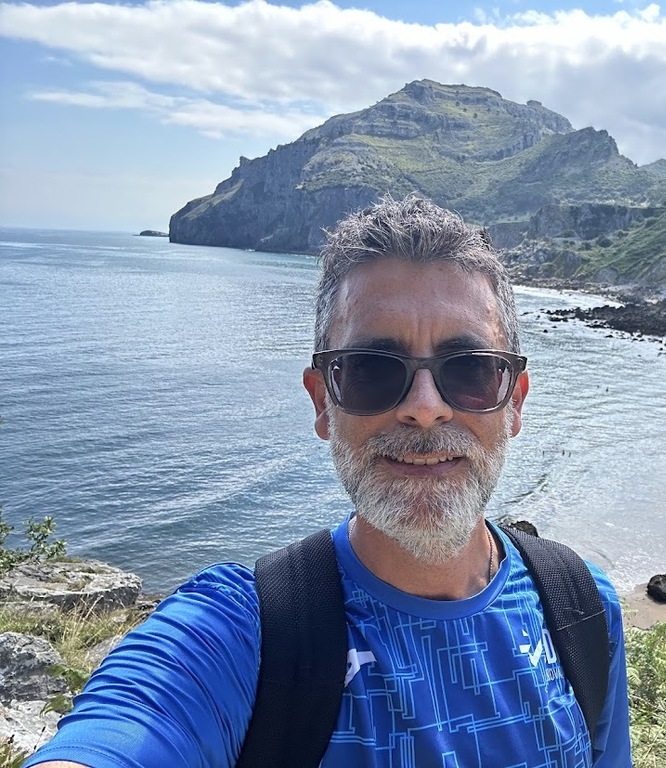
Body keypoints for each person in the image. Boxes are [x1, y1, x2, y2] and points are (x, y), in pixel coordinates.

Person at [27, 196, 632, 767]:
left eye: (470, 370)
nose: (425, 408)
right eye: (371, 370)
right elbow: (126, 729)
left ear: (514, 400)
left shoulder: (580, 606)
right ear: (323, 403)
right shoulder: (245, 633)